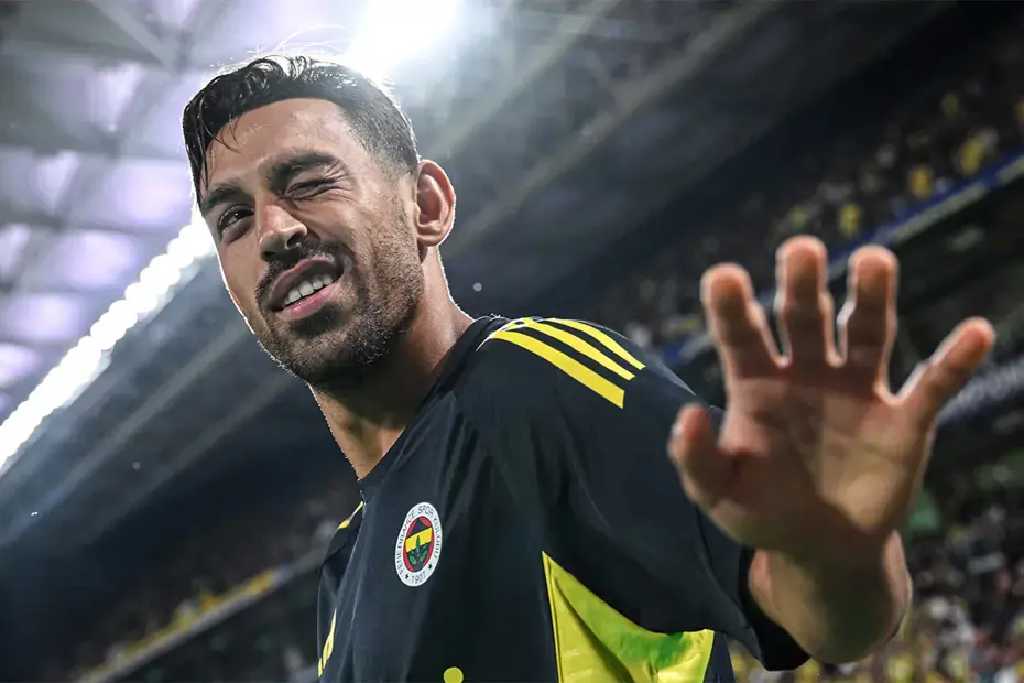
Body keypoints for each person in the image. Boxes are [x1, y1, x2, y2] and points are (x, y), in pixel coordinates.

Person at [181, 56, 994, 682]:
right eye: (234, 219)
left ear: (426, 206)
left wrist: (835, 551)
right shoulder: (346, 563)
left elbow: (812, 609)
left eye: (310, 182)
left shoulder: (529, 388)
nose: (274, 230)